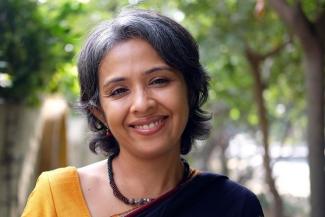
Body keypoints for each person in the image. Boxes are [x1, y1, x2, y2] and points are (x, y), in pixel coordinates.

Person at [22, 9, 264, 217]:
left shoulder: (234, 206)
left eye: (159, 81)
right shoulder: (56, 198)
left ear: (190, 90)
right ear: (99, 112)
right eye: (118, 91)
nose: (142, 104)